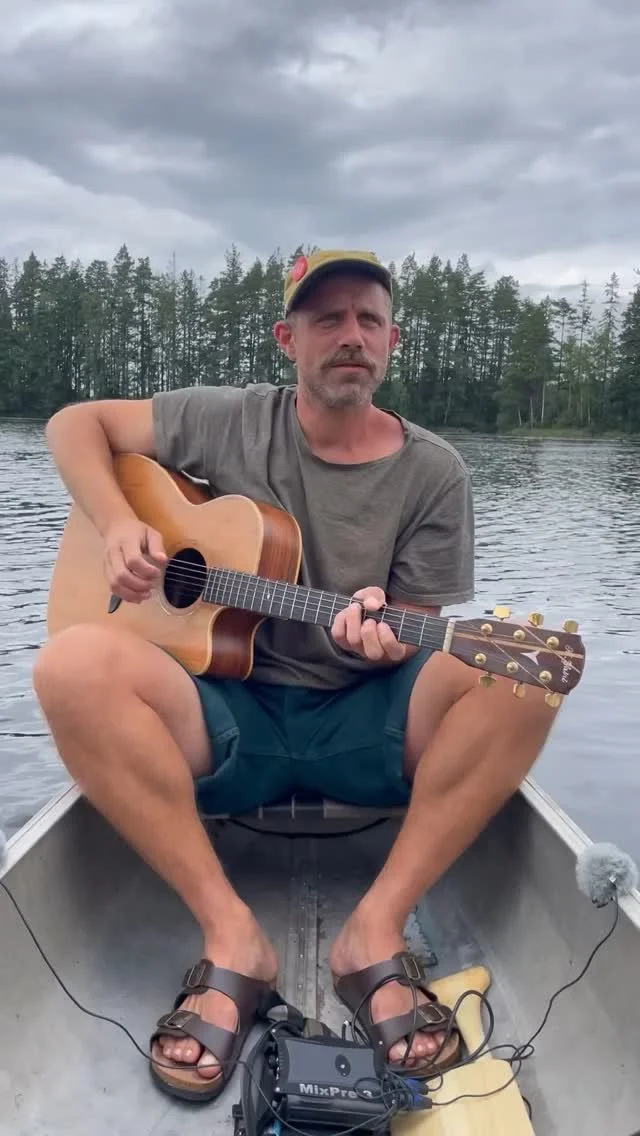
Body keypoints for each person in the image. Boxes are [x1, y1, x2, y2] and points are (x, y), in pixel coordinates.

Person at [33, 248, 560, 1104]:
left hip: (364, 721)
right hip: (225, 714)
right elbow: (72, 425)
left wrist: (384, 639)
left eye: (368, 319)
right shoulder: (228, 420)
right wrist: (120, 522)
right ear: (289, 339)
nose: (351, 335)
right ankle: (232, 936)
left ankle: (374, 933)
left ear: (392, 340)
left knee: (525, 672)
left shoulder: (434, 473)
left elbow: (417, 630)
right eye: (328, 319)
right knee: (69, 664)